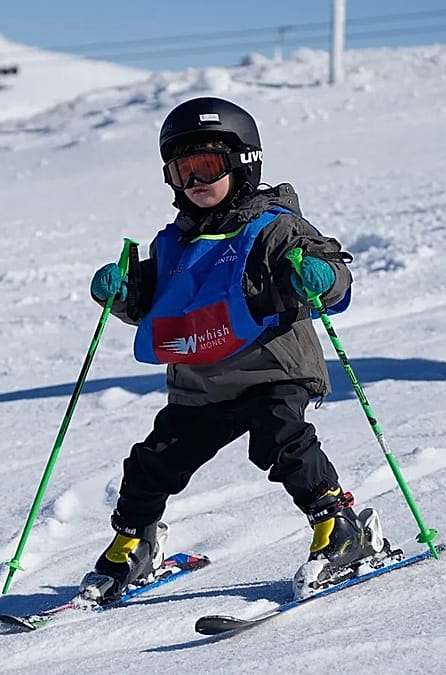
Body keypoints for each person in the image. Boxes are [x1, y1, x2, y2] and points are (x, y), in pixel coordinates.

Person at [78, 96, 388, 604]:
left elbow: (335, 279)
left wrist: (319, 277)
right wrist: (124, 292)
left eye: (207, 166)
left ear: (243, 163)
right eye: (183, 170)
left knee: (280, 440)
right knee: (153, 461)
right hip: (201, 383)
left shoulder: (274, 228)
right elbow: (156, 307)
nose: (195, 181)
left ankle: (340, 528)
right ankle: (135, 542)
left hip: (273, 369)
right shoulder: (173, 242)